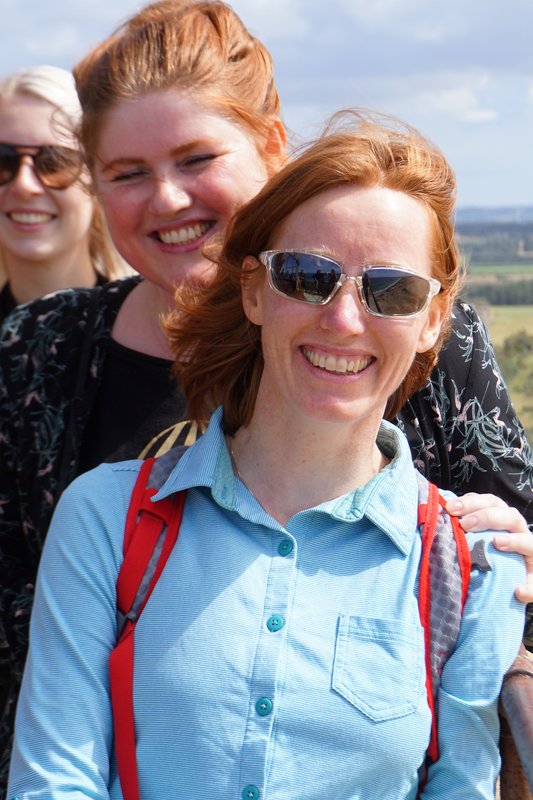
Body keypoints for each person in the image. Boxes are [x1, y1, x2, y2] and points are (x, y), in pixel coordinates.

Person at [0, 0, 531, 789]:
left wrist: (510, 559)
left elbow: (494, 587)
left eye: (195, 159)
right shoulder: (38, 353)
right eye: (128, 172)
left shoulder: (420, 339)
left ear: (271, 146)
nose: (167, 199)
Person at [0, 65, 127, 321]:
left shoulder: (150, 333)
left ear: (97, 180)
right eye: (3, 160)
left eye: (55, 162)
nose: (25, 185)